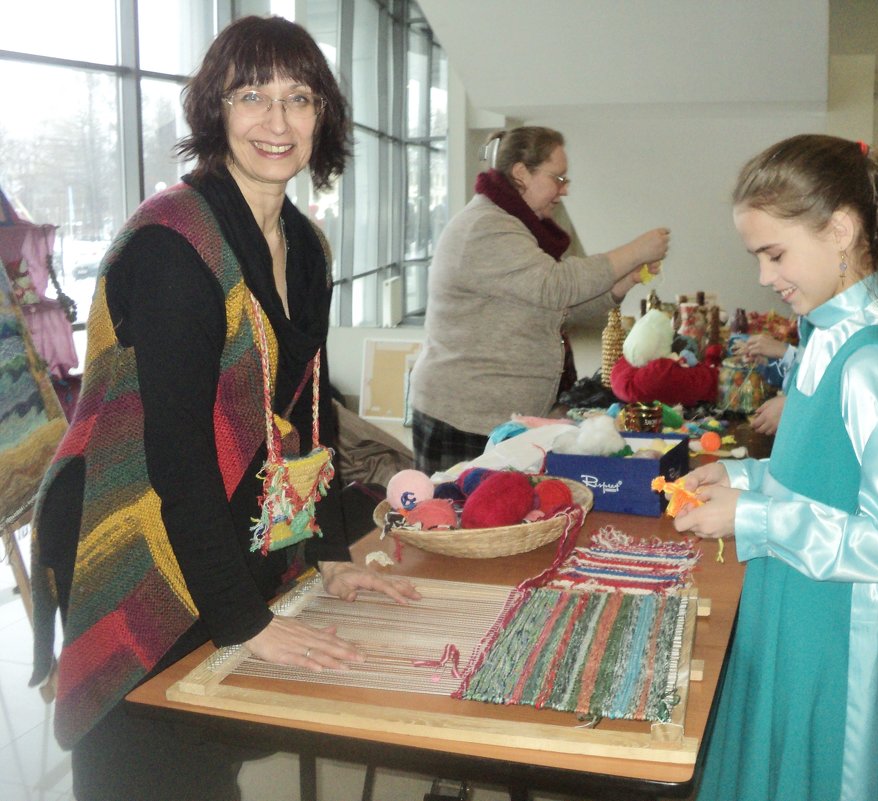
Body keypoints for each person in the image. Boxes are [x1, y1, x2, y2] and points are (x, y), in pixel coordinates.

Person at [29, 16, 419, 801]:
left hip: (209, 509)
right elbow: (177, 457)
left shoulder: (304, 245)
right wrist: (250, 622)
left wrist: (329, 555)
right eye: (252, 96)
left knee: (208, 763)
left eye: (299, 98)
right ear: (216, 111)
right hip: (130, 516)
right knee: (145, 761)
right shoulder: (173, 246)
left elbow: (312, 412)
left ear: (323, 118)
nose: (277, 121)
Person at [673, 135, 878, 801]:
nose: (767, 275)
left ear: (840, 231)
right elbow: (821, 475)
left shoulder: (871, 362)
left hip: (841, 624)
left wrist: (757, 516)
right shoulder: (826, 334)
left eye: (775, 253)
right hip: (800, 597)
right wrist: (742, 479)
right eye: (759, 257)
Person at [407, 126, 670, 474]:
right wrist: (635, 250)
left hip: (494, 416)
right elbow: (556, 285)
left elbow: (558, 309)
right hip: (465, 416)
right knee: (463, 522)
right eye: (557, 178)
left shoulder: (516, 228)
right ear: (520, 173)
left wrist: (622, 282)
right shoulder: (487, 227)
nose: (563, 190)